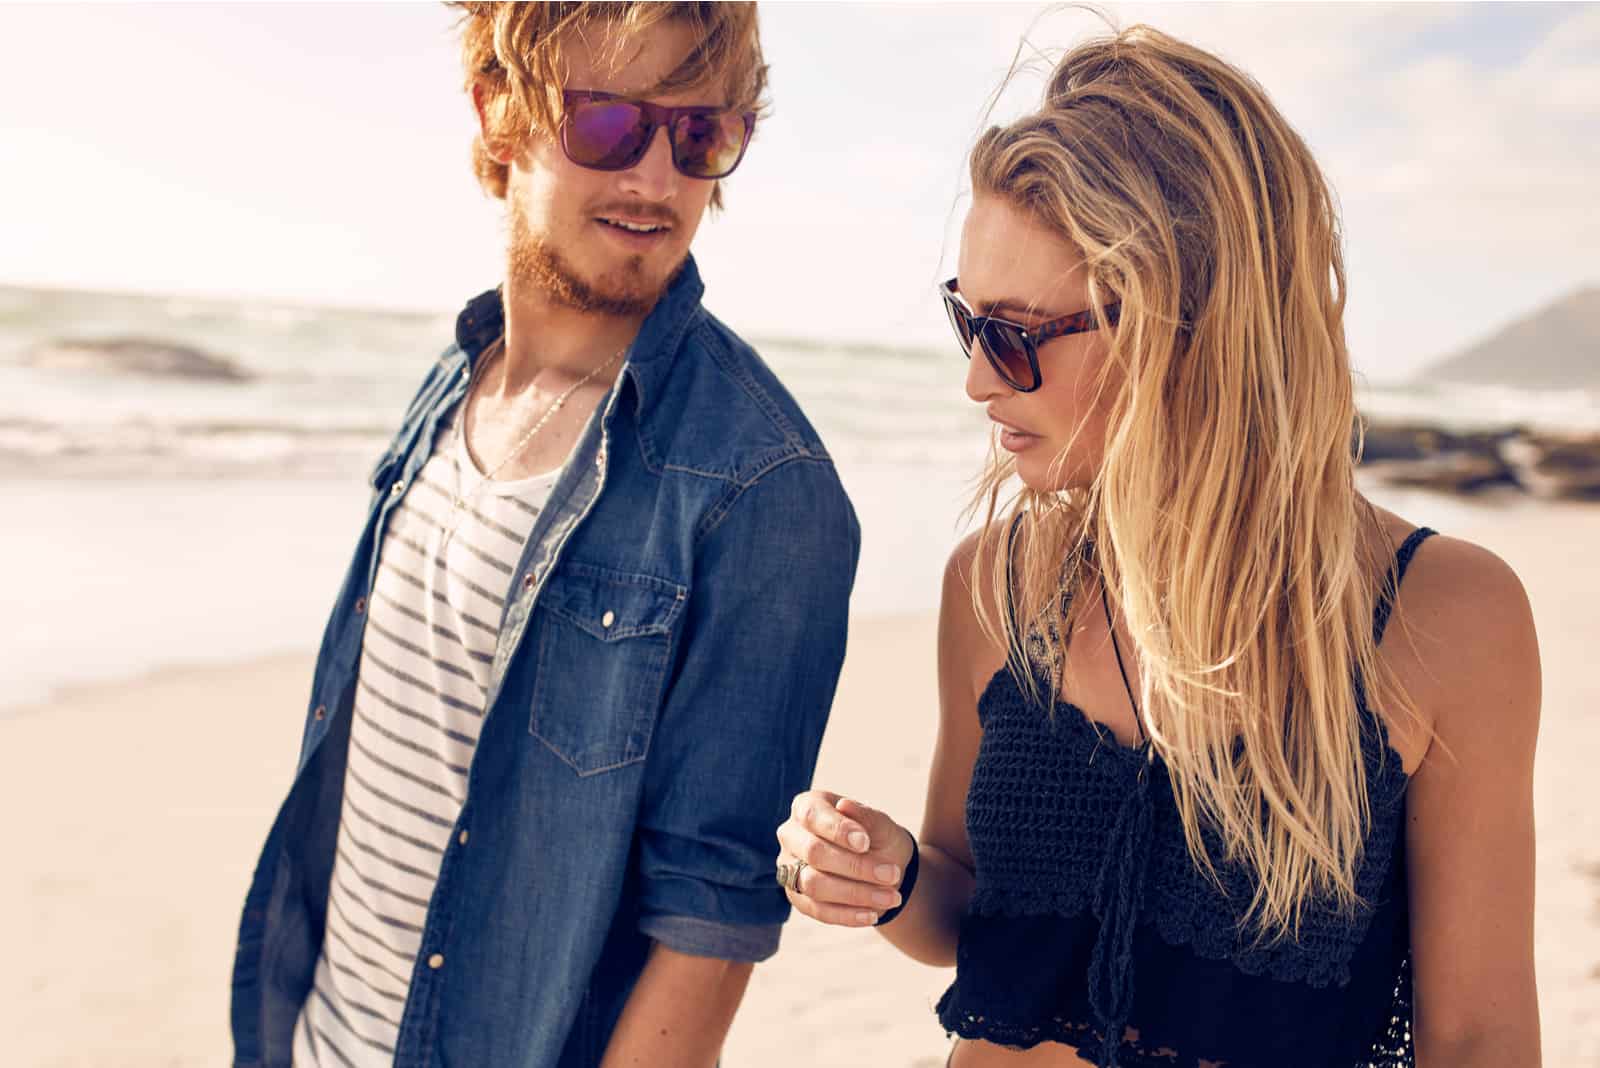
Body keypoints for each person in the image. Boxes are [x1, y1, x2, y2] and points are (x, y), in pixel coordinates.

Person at [777, 25, 1540, 1068]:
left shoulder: (1443, 617)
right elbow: (969, 908)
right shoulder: (996, 582)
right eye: (968, 323)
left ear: (1187, 326)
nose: (977, 382)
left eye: (1015, 335)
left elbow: (1479, 1037)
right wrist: (889, 874)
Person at [230, 5, 859, 1067]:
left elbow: (709, 926)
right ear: (500, 112)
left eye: (700, 135)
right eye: (611, 124)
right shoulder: (453, 380)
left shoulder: (762, 489)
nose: (658, 183)